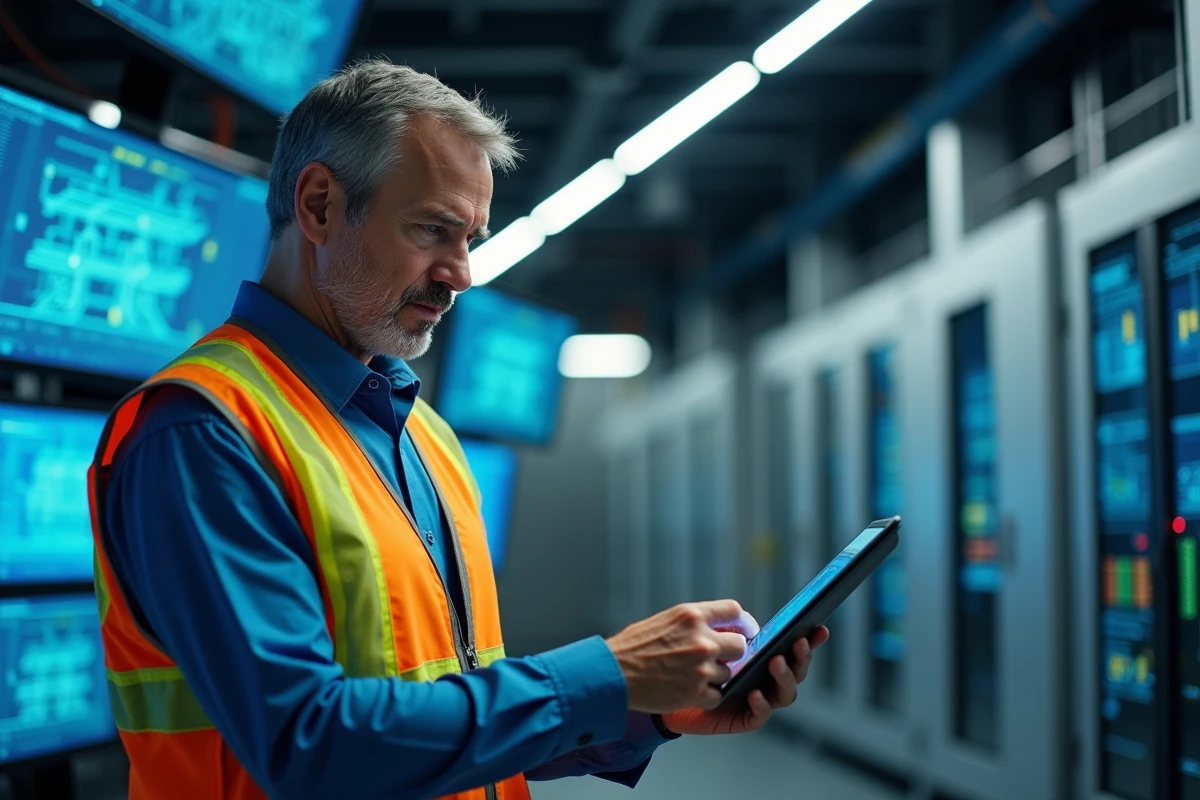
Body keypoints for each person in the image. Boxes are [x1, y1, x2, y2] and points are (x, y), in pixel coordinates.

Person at [87, 60, 828, 800]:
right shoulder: (200, 432)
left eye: (471, 237)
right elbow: (306, 743)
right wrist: (608, 673)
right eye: (433, 230)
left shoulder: (426, 438)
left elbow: (444, 722)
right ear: (317, 206)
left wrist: (645, 711)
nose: (462, 273)